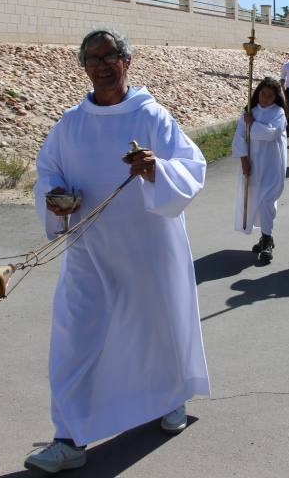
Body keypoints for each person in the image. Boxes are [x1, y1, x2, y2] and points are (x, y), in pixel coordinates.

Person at [28, 29, 210, 473]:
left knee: (157, 330)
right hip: (90, 252)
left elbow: (191, 167)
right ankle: (68, 437)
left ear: (127, 61)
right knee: (74, 338)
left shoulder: (151, 116)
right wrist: (53, 198)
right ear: (84, 66)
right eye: (93, 58)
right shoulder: (70, 124)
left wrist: (156, 170)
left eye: (110, 56)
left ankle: (170, 400)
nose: (102, 65)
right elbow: (48, 171)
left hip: (149, 248)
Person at [233, 77, 288, 262]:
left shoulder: (278, 112)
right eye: (263, 94)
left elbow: (271, 134)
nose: (265, 99)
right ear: (258, 93)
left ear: (275, 97)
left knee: (267, 200)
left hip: (272, 163)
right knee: (256, 199)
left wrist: (253, 124)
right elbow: (239, 137)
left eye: (270, 96)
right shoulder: (250, 112)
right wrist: (244, 161)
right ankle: (266, 236)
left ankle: (267, 239)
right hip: (253, 163)